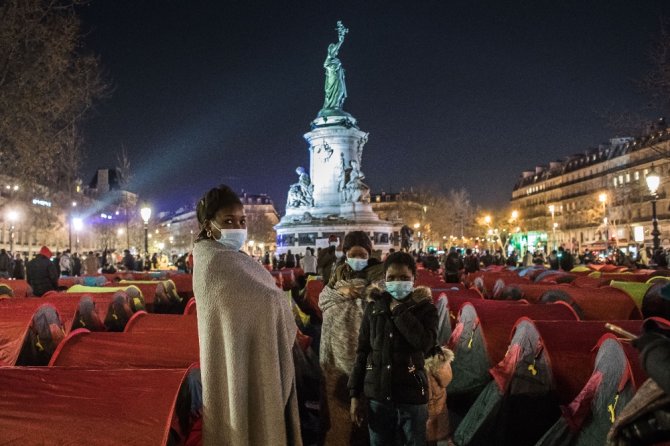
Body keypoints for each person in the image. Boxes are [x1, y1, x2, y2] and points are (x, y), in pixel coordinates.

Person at [192, 185, 300, 446]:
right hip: (234, 355)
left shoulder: (234, 258)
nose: (237, 227)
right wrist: (278, 302)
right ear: (209, 226)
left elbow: (261, 295)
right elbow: (265, 297)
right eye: (228, 221)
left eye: (241, 221)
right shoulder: (214, 261)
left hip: (250, 350)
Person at [349, 251, 438, 445]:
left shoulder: (426, 309)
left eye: (404, 278)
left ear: (414, 278)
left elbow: (425, 344)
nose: (398, 282)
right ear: (384, 279)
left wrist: (399, 311)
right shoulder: (374, 308)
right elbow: (363, 351)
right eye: (392, 278)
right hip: (378, 397)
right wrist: (355, 394)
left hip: (412, 396)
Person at [319, 231, 384, 445]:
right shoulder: (338, 274)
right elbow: (325, 299)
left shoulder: (380, 277)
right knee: (338, 412)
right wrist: (342, 294)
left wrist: (353, 296)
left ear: (369, 253)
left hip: (365, 359)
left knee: (362, 417)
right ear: (346, 254)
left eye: (362, 253)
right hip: (334, 358)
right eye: (353, 253)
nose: (357, 258)